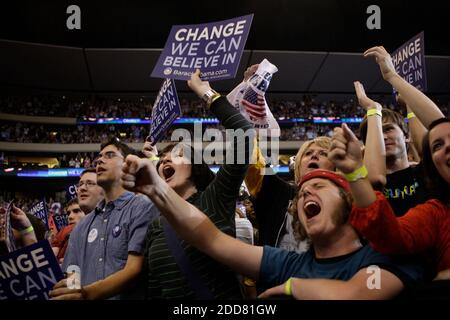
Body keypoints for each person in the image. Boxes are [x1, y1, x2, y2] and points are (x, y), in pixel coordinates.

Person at [122, 154, 423, 299]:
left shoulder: (384, 254)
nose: (306, 194)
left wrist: (294, 286)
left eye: (318, 185)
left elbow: (356, 296)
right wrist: (157, 190)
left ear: (348, 201)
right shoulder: (287, 263)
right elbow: (209, 238)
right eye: (301, 193)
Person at [140, 69, 254, 299]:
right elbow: (154, 289)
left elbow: (244, 134)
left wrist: (205, 92)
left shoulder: (215, 199)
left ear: (195, 167)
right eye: (161, 161)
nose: (166, 161)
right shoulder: (155, 225)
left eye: (178, 155)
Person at [330, 119, 449, 279]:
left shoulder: (420, 174)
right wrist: (355, 171)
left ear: (406, 136)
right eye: (437, 146)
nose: (447, 146)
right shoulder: (436, 213)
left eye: (388, 130)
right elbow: (390, 235)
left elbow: (438, 122)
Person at [49, 138, 160, 300]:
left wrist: (86, 293)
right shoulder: (82, 225)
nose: (100, 159)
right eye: (99, 157)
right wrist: (72, 292)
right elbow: (73, 269)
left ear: (127, 165)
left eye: (109, 155)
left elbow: (134, 269)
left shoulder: (143, 207)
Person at [358, 46, 444, 216]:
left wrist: (392, 77)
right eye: (376, 133)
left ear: (406, 136)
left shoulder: (427, 174)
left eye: (389, 129)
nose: (382, 136)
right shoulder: (361, 186)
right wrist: (373, 110)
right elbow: (375, 178)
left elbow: (440, 130)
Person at [245, 136, 333, 252]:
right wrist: (250, 127)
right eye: (308, 153)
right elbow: (249, 158)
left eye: (324, 154)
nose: (314, 155)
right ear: (298, 165)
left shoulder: (347, 199)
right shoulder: (278, 192)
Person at [51, 198, 85, 263]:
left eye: (76, 211)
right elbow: (51, 260)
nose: (70, 216)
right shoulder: (63, 232)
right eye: (68, 213)